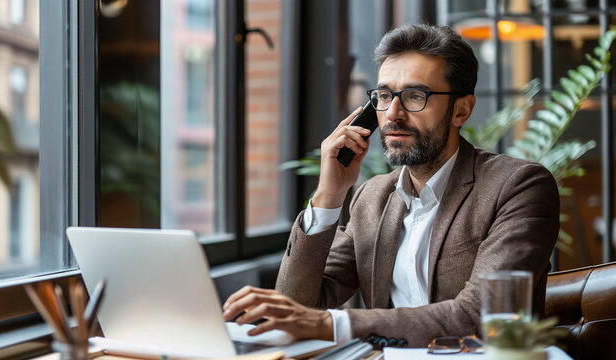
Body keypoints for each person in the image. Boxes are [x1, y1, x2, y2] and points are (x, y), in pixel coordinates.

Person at [222, 24, 559, 347]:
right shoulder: (372, 197)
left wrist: (331, 324)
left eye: (415, 96)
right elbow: (299, 304)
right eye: (383, 96)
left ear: (461, 110)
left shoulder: (518, 186)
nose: (393, 114)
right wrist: (328, 196)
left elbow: (482, 319)